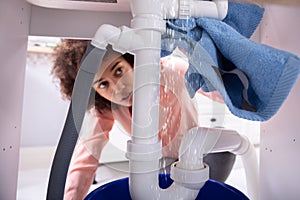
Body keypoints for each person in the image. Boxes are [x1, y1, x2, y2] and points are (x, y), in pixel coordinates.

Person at [52, 39, 235, 200]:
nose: (118, 87)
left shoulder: (170, 69)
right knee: (144, 180)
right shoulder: (107, 108)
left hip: (196, 159)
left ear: (131, 60)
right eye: (103, 84)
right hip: (159, 167)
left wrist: (242, 94)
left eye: (118, 71)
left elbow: (221, 91)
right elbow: (86, 157)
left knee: (224, 152)